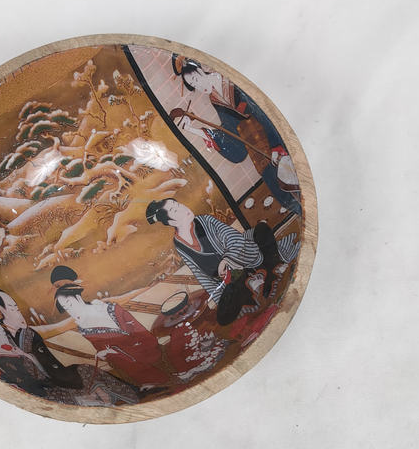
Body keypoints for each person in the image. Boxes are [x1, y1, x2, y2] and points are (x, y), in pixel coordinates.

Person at [171, 56, 301, 216]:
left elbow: (263, 111)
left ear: (200, 69)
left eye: (196, 80)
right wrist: (194, 129)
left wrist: (276, 146)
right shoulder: (215, 100)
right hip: (261, 154)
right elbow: (233, 139)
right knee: (282, 192)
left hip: (277, 139)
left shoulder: (230, 79)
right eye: (194, 85)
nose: (198, 86)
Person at [145, 198, 299, 322]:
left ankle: (269, 272)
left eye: (179, 205)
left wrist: (226, 260)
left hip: (245, 257)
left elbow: (234, 239)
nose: (183, 208)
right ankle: (257, 280)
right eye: (175, 210)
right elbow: (200, 275)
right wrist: (220, 298)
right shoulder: (179, 244)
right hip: (229, 280)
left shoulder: (205, 220)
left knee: (261, 231)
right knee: (224, 317)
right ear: (172, 222)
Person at [0, 289, 141, 406]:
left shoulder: (29, 333)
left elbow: (49, 360)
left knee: (85, 370)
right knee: (75, 381)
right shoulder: (0, 334)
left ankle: (134, 393)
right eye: (12, 308)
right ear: (2, 310)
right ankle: (111, 398)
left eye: (17, 308)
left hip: (53, 372)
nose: (18, 312)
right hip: (37, 382)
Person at [49, 266, 172, 392]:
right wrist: (105, 353)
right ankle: (150, 380)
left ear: (78, 298)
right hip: (126, 362)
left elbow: (143, 334)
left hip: (145, 348)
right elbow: (103, 349)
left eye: (70, 304)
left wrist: (122, 350)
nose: (71, 310)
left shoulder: (109, 309)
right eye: (67, 308)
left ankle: (156, 377)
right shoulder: (83, 328)